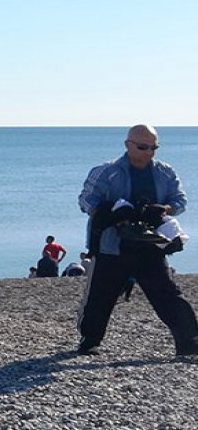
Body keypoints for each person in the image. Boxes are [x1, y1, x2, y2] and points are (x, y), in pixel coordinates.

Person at [77, 124, 198, 356]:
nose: (149, 152)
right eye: (143, 147)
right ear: (128, 145)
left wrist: (165, 209)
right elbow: (86, 200)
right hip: (113, 246)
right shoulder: (106, 172)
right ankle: (89, 340)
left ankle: (190, 343)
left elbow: (180, 200)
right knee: (101, 295)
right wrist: (111, 213)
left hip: (151, 245)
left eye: (154, 147)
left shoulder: (165, 172)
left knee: (168, 294)